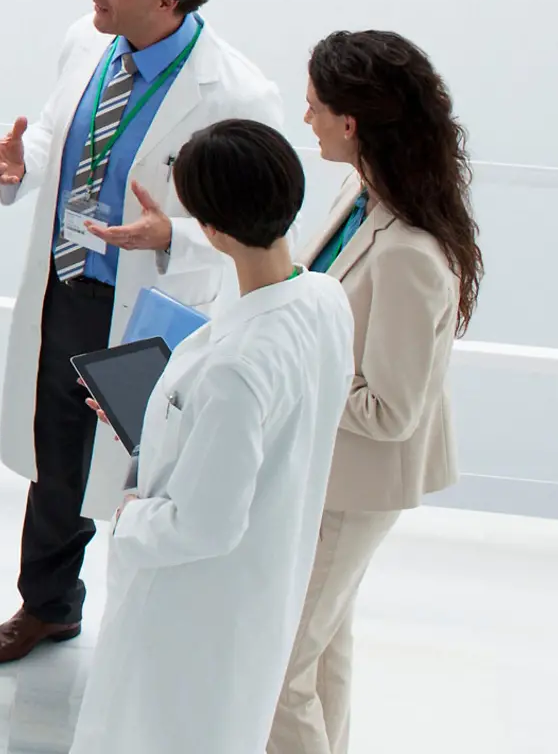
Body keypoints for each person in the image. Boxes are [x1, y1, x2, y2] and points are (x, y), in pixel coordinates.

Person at [0, 0, 286, 664]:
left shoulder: (237, 94)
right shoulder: (87, 42)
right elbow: (60, 132)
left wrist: (173, 234)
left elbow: (262, 227)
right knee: (59, 458)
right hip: (68, 287)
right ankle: (47, 607)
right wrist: (23, 162)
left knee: (150, 477)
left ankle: (152, 632)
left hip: (150, 312)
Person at [67, 118, 354, 754]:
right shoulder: (325, 299)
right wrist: (162, 424)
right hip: (255, 589)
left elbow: (204, 526)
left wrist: (130, 514)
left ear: (213, 230)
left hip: (194, 609)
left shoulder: (235, 365)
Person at [267, 31, 482, 754]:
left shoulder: (409, 253)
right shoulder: (360, 193)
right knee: (324, 649)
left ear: (351, 122)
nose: (306, 118)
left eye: (314, 106)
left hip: (354, 484)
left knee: (281, 670)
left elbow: (390, 412)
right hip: (327, 471)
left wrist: (291, 373)